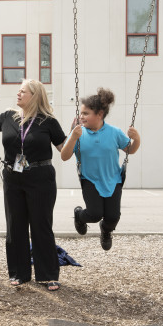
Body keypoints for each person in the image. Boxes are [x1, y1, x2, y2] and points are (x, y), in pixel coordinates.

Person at [0, 79, 65, 291]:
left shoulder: (48, 121)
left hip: (41, 177)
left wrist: (76, 136)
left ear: (34, 96)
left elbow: (64, 148)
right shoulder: (9, 116)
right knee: (15, 226)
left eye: (22, 91)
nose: (18, 94)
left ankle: (48, 275)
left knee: (41, 226)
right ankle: (19, 273)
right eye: (18, 91)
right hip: (13, 177)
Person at [61, 88, 141, 251]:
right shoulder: (79, 133)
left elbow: (130, 150)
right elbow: (64, 155)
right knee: (94, 214)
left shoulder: (114, 132)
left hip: (113, 180)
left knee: (113, 217)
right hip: (90, 179)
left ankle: (105, 231)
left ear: (99, 114)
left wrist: (137, 138)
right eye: (81, 113)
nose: (81, 116)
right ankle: (79, 216)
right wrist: (73, 137)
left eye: (86, 113)